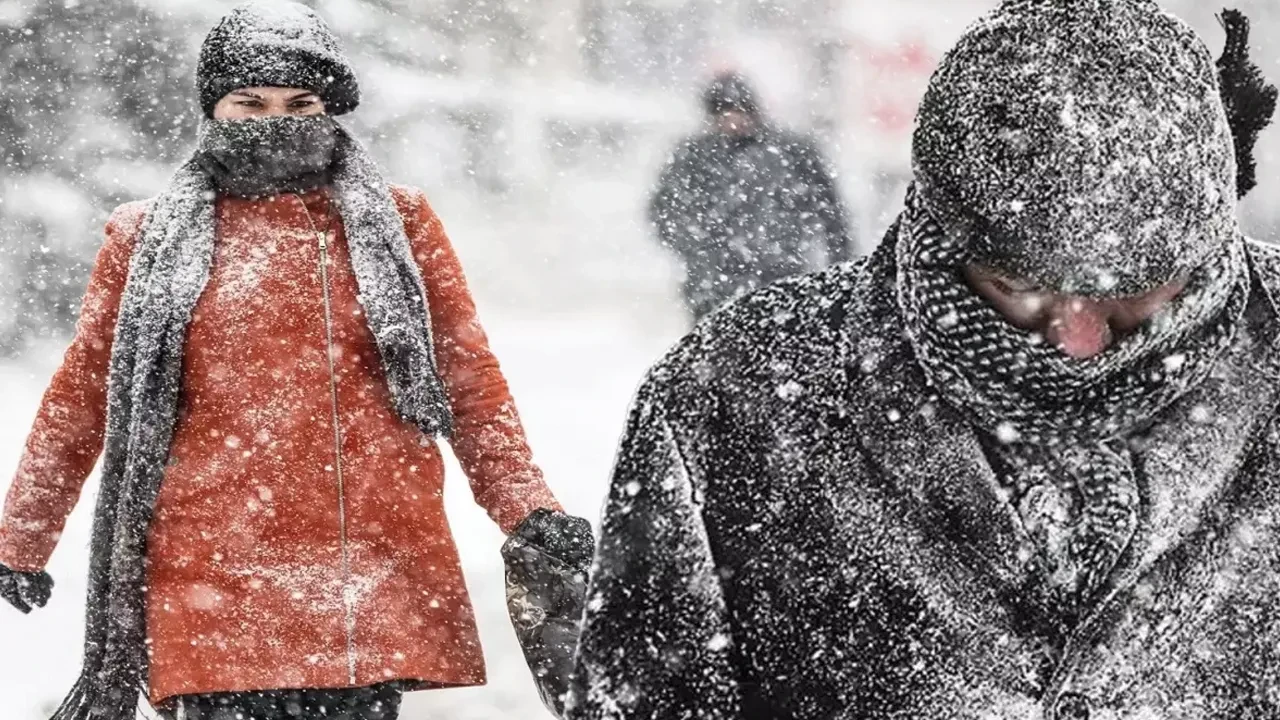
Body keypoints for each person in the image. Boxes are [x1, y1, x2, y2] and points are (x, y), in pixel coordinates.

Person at [571, 3, 1280, 719]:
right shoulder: (734, 393)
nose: (1077, 343)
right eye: (1020, 287)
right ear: (941, 236)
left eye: (1134, 294)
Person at [0, 3, 592, 720]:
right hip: (214, 577)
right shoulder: (146, 240)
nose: (275, 119)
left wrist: (526, 507)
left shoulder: (398, 228)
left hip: (365, 576)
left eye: (299, 103)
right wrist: (21, 537)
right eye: (249, 102)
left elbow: (469, 384)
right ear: (213, 108)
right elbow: (83, 397)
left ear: (330, 108)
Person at [649, 72, 853, 321]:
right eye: (723, 112)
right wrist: (699, 248)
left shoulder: (792, 152)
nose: (732, 120)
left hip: (781, 285)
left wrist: (841, 270)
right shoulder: (692, 157)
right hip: (713, 289)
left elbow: (831, 214)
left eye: (738, 110)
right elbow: (664, 212)